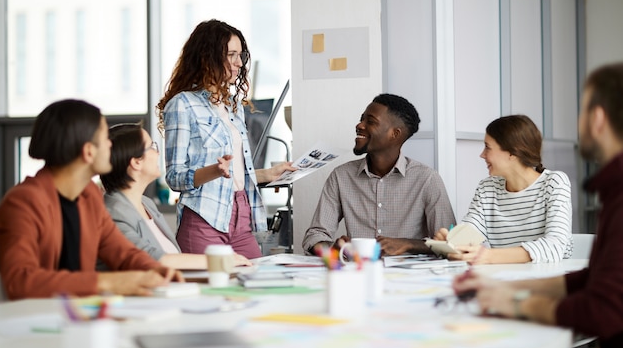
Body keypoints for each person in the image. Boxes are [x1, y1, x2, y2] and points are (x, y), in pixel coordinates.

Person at [452, 63, 623, 347]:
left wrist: (519, 304)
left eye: (581, 111)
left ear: (598, 119)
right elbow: (596, 279)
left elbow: (604, 309)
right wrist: (513, 288)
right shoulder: (613, 188)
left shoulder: (602, 190)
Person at [0, 99, 182, 300]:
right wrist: (107, 282)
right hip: (38, 321)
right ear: (88, 151)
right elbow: (20, 281)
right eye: (105, 139)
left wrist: (157, 271)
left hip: (81, 315)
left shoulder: (89, 197)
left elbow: (122, 251)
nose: (111, 146)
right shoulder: (23, 202)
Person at [156, 19, 294, 259]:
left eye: (240, 55)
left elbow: (234, 173)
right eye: (231, 55)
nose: (239, 63)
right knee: (211, 293)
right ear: (207, 57)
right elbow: (174, 177)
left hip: (241, 218)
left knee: (254, 284)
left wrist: (266, 175)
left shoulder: (233, 107)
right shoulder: (182, 105)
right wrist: (213, 171)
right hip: (204, 219)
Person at [302, 93, 456, 256]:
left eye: (370, 122)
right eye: (362, 119)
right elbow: (314, 237)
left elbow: (450, 244)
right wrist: (332, 248)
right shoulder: (341, 176)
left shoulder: (427, 179)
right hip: (358, 273)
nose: (360, 125)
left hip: (409, 278)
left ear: (395, 134)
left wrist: (408, 244)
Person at [99, 123, 252, 270]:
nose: (157, 152)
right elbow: (150, 259)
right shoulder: (112, 214)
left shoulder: (147, 204)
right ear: (136, 162)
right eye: (152, 147)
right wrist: (220, 260)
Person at [433, 115, 572, 264]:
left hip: (548, 280)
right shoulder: (487, 188)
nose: (482, 155)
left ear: (513, 152)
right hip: (503, 279)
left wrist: (489, 256)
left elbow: (555, 246)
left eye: (487, 147)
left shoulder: (554, 182)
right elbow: (470, 231)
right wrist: (452, 242)